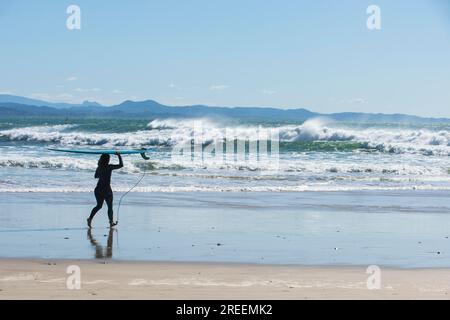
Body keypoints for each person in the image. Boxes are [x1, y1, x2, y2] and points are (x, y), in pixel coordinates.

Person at [87, 152, 123, 228]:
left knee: (99, 206)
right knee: (110, 207)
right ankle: (111, 222)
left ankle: (90, 218)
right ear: (108, 160)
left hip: (98, 189)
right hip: (106, 190)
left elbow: (96, 176)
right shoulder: (109, 167)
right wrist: (119, 156)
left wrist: (102, 173)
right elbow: (121, 165)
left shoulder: (99, 167)